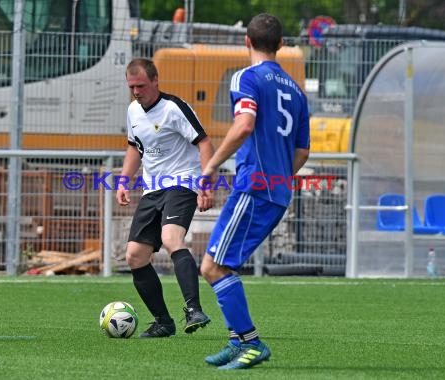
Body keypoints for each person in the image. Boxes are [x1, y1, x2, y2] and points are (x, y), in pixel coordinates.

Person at [198, 14, 310, 369]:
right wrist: (279, 176)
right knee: (222, 265)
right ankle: (236, 341)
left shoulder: (246, 77)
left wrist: (211, 165)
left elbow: (244, 124)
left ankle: (251, 342)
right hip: (277, 191)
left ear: (246, 42)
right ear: (280, 44)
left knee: (212, 267)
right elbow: (303, 151)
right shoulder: (296, 91)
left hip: (254, 187)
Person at [117, 58, 215, 338]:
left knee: (173, 239)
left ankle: (193, 309)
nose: (136, 91)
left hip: (182, 183)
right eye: (132, 86)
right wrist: (124, 180)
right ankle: (163, 322)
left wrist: (206, 183)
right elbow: (135, 148)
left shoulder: (174, 108)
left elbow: (204, 142)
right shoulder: (133, 111)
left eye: (142, 86)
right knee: (135, 256)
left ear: (156, 80)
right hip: (152, 189)